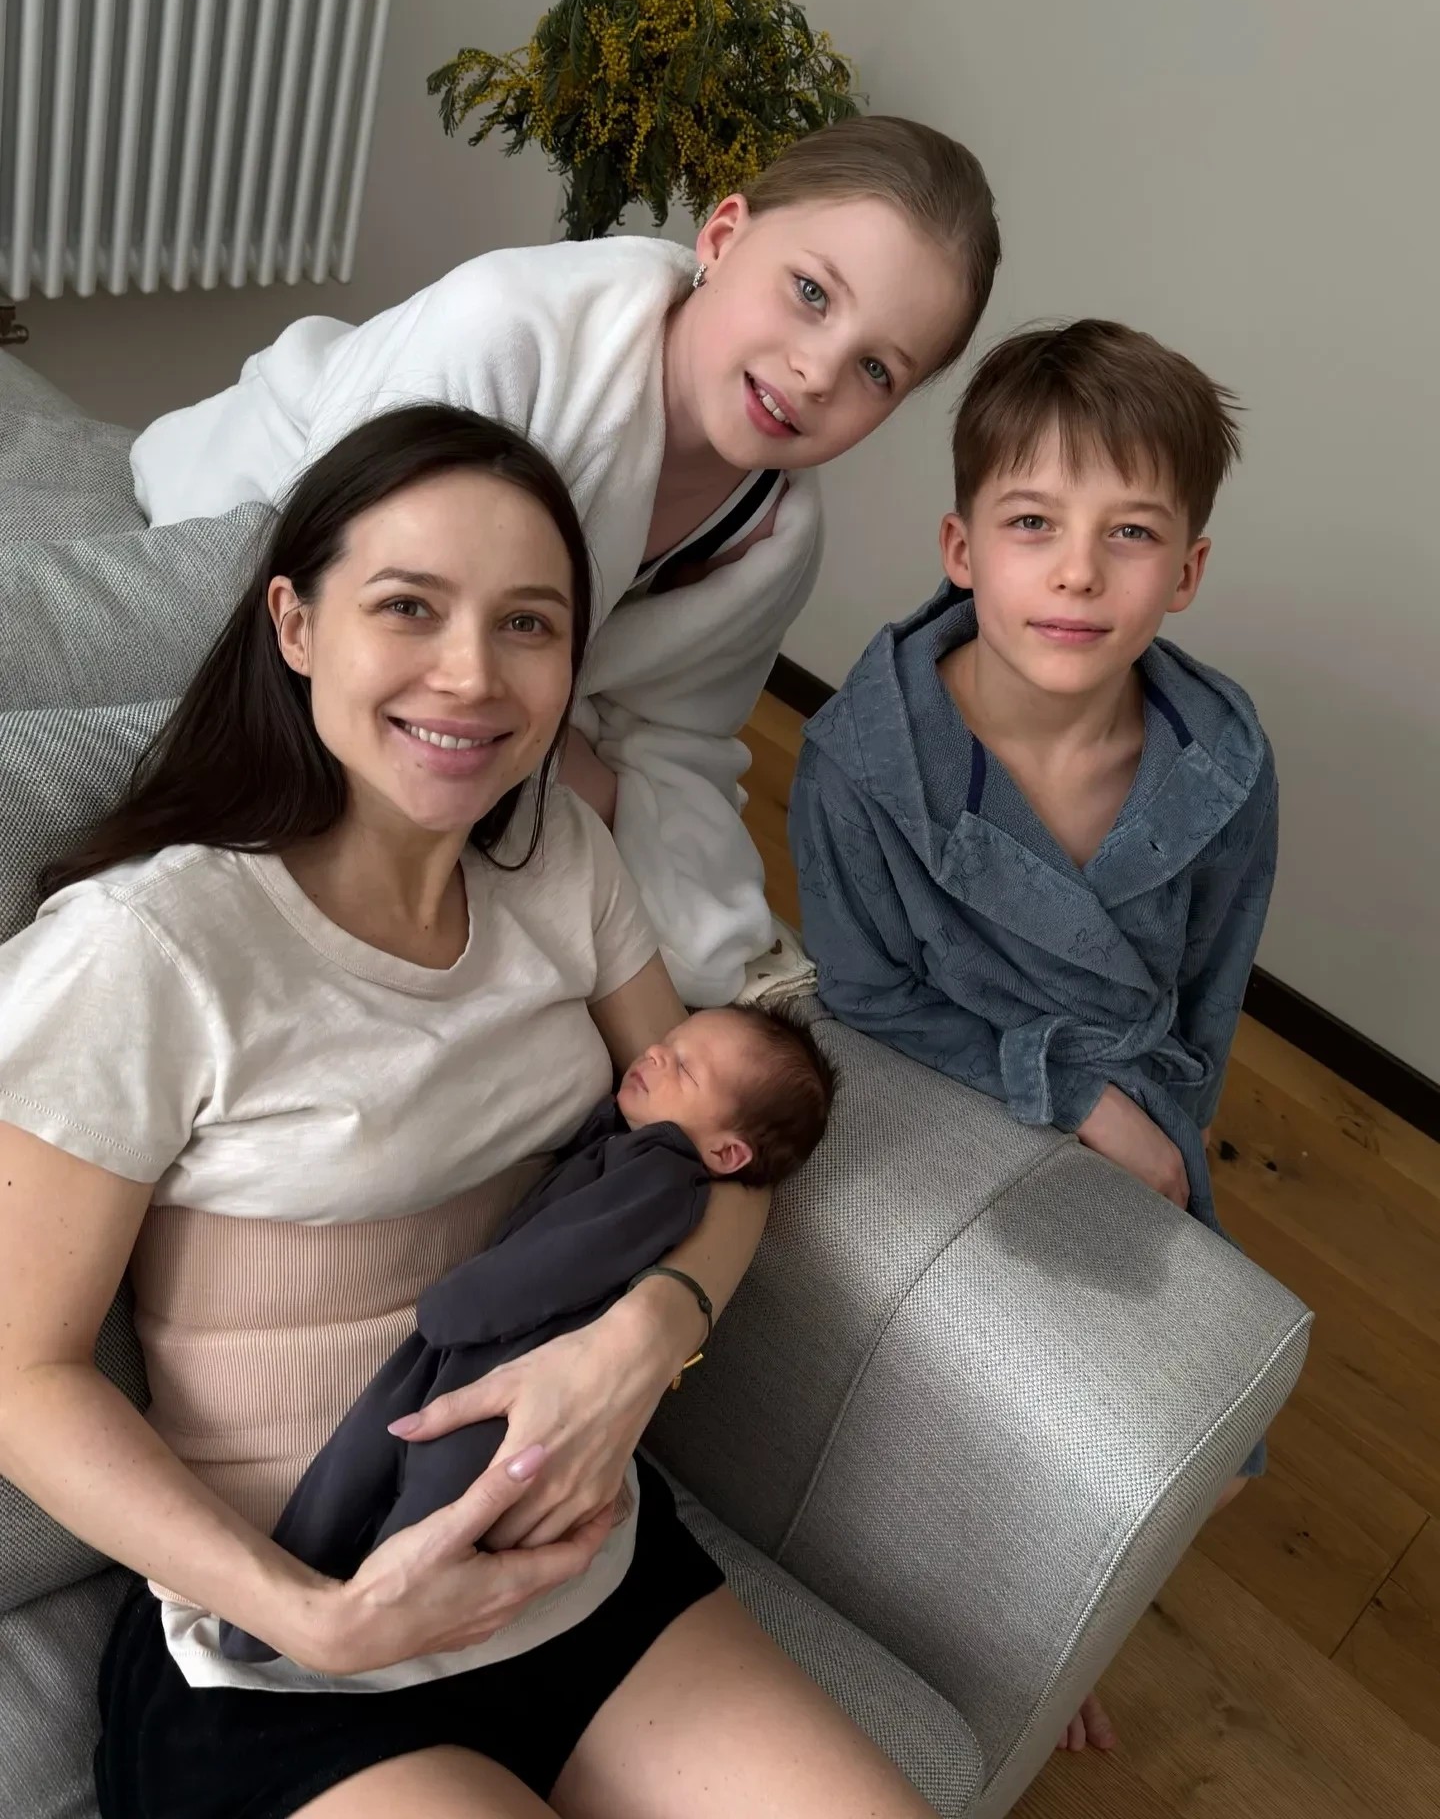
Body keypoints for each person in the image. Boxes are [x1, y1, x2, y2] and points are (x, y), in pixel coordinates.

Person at [0, 405, 937, 1818]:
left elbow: (725, 1156)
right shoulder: (149, 950)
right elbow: (21, 1377)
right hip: (290, 1644)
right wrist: (319, 1621)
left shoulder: (561, 856)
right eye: (409, 606)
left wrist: (646, 1337)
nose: (471, 674)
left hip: (584, 1577)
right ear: (295, 623)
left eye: (527, 624)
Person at [129, 116, 1002, 1007]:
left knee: (696, 937)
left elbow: (681, 741)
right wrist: (560, 752)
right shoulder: (506, 329)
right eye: (811, 292)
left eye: (877, 370)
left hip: (523, 683)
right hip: (278, 510)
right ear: (723, 236)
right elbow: (359, 599)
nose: (818, 371)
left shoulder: (776, 536)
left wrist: (630, 824)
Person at [789, 322, 1278, 1744]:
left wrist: (1165, 1148)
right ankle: (961, 1606)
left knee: (1195, 1445)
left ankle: (1056, 1610)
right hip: (933, 1088)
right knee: (962, 1396)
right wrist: (1065, 1092)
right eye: (1032, 524)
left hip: (1136, 1115)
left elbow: (1212, 994)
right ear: (961, 549)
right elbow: (865, 995)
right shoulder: (863, 764)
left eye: (1130, 533)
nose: (1076, 572)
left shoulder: (1224, 767)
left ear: (1186, 571)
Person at [218, 1003, 837, 1664]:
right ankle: (261, 1628)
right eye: (666, 1040)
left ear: (728, 1153)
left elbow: (562, 1264)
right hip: (462, 1348)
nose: (655, 1053)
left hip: (506, 1366)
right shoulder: (624, 1145)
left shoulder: (662, 1181)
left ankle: (351, 1646)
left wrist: (455, 1307)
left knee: (424, 1507)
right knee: (353, 1463)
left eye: (684, 1068)